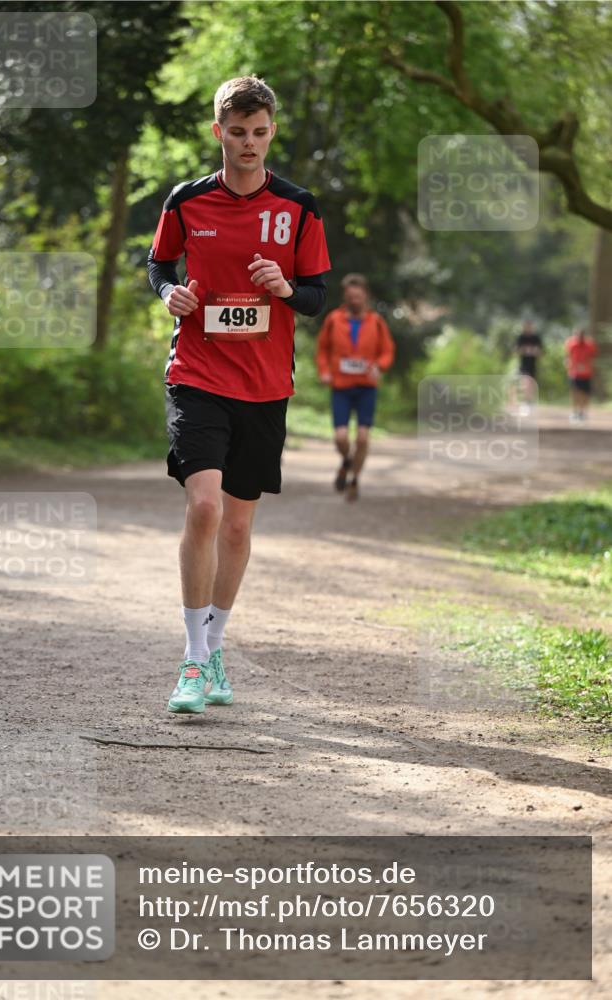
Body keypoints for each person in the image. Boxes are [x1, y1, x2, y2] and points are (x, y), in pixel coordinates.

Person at [147, 76, 331, 714]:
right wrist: (168, 293)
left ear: (271, 132)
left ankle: (217, 645)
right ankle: (193, 662)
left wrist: (283, 287)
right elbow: (158, 264)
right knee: (204, 509)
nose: (247, 143)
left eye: (258, 132)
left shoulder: (299, 207)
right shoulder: (186, 201)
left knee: (238, 524)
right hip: (196, 372)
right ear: (218, 131)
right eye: (236, 132)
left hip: (263, 385)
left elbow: (315, 297)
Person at [315, 274, 394, 501]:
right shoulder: (334, 319)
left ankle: (355, 479)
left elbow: (387, 350)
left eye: (358, 296)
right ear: (345, 297)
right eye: (350, 296)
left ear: (365, 296)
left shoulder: (376, 322)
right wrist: (324, 371)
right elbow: (322, 349)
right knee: (341, 437)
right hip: (340, 386)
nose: (354, 300)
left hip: (366, 387)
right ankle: (347, 461)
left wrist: (380, 365)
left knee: (362, 437)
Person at [565, 328, 598, 422]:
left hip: (586, 373)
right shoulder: (571, 343)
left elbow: (593, 357)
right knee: (575, 392)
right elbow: (568, 356)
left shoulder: (590, 345)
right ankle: (575, 412)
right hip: (574, 373)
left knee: (585, 393)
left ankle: (582, 412)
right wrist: (570, 364)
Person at [515, 320, 543, 415]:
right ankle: (525, 402)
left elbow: (540, 352)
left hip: (533, 364)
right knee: (525, 382)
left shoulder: (536, 338)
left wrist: (533, 351)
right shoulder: (521, 338)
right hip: (524, 364)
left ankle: (530, 401)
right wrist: (526, 351)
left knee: (532, 383)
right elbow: (517, 351)